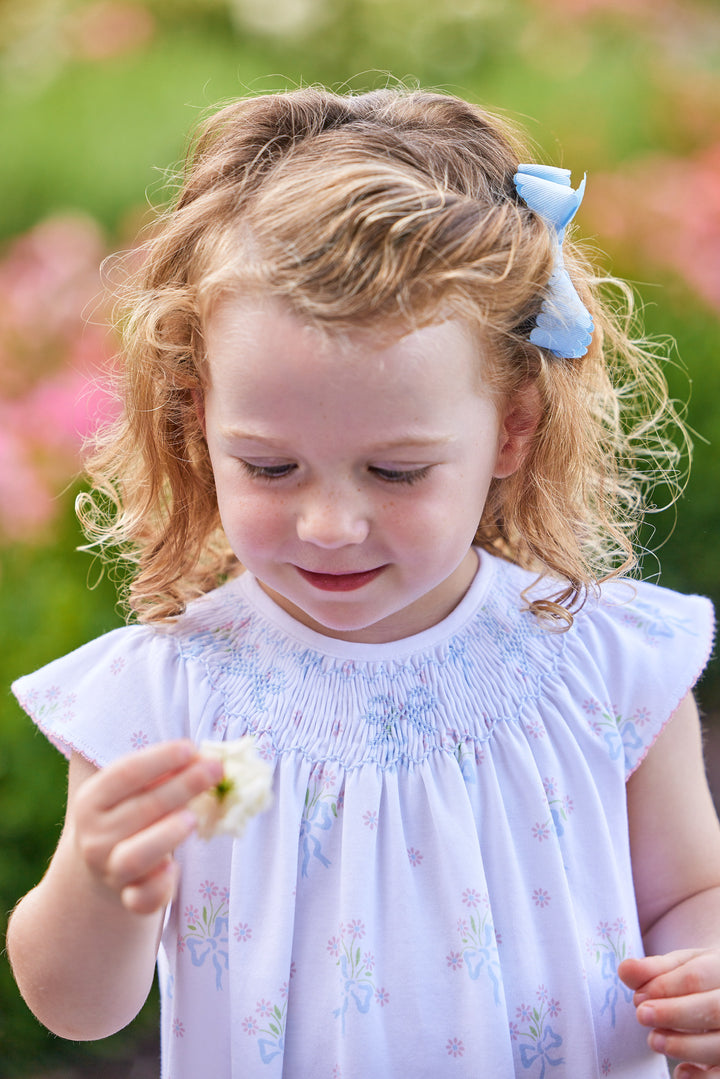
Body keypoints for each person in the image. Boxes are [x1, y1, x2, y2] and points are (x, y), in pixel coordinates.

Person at [6, 86, 720, 1079]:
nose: (330, 523)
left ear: (512, 427)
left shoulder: (604, 667)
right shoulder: (163, 698)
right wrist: (95, 878)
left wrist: (707, 968)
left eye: (395, 471)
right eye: (268, 466)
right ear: (196, 422)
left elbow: (693, 890)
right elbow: (78, 1009)